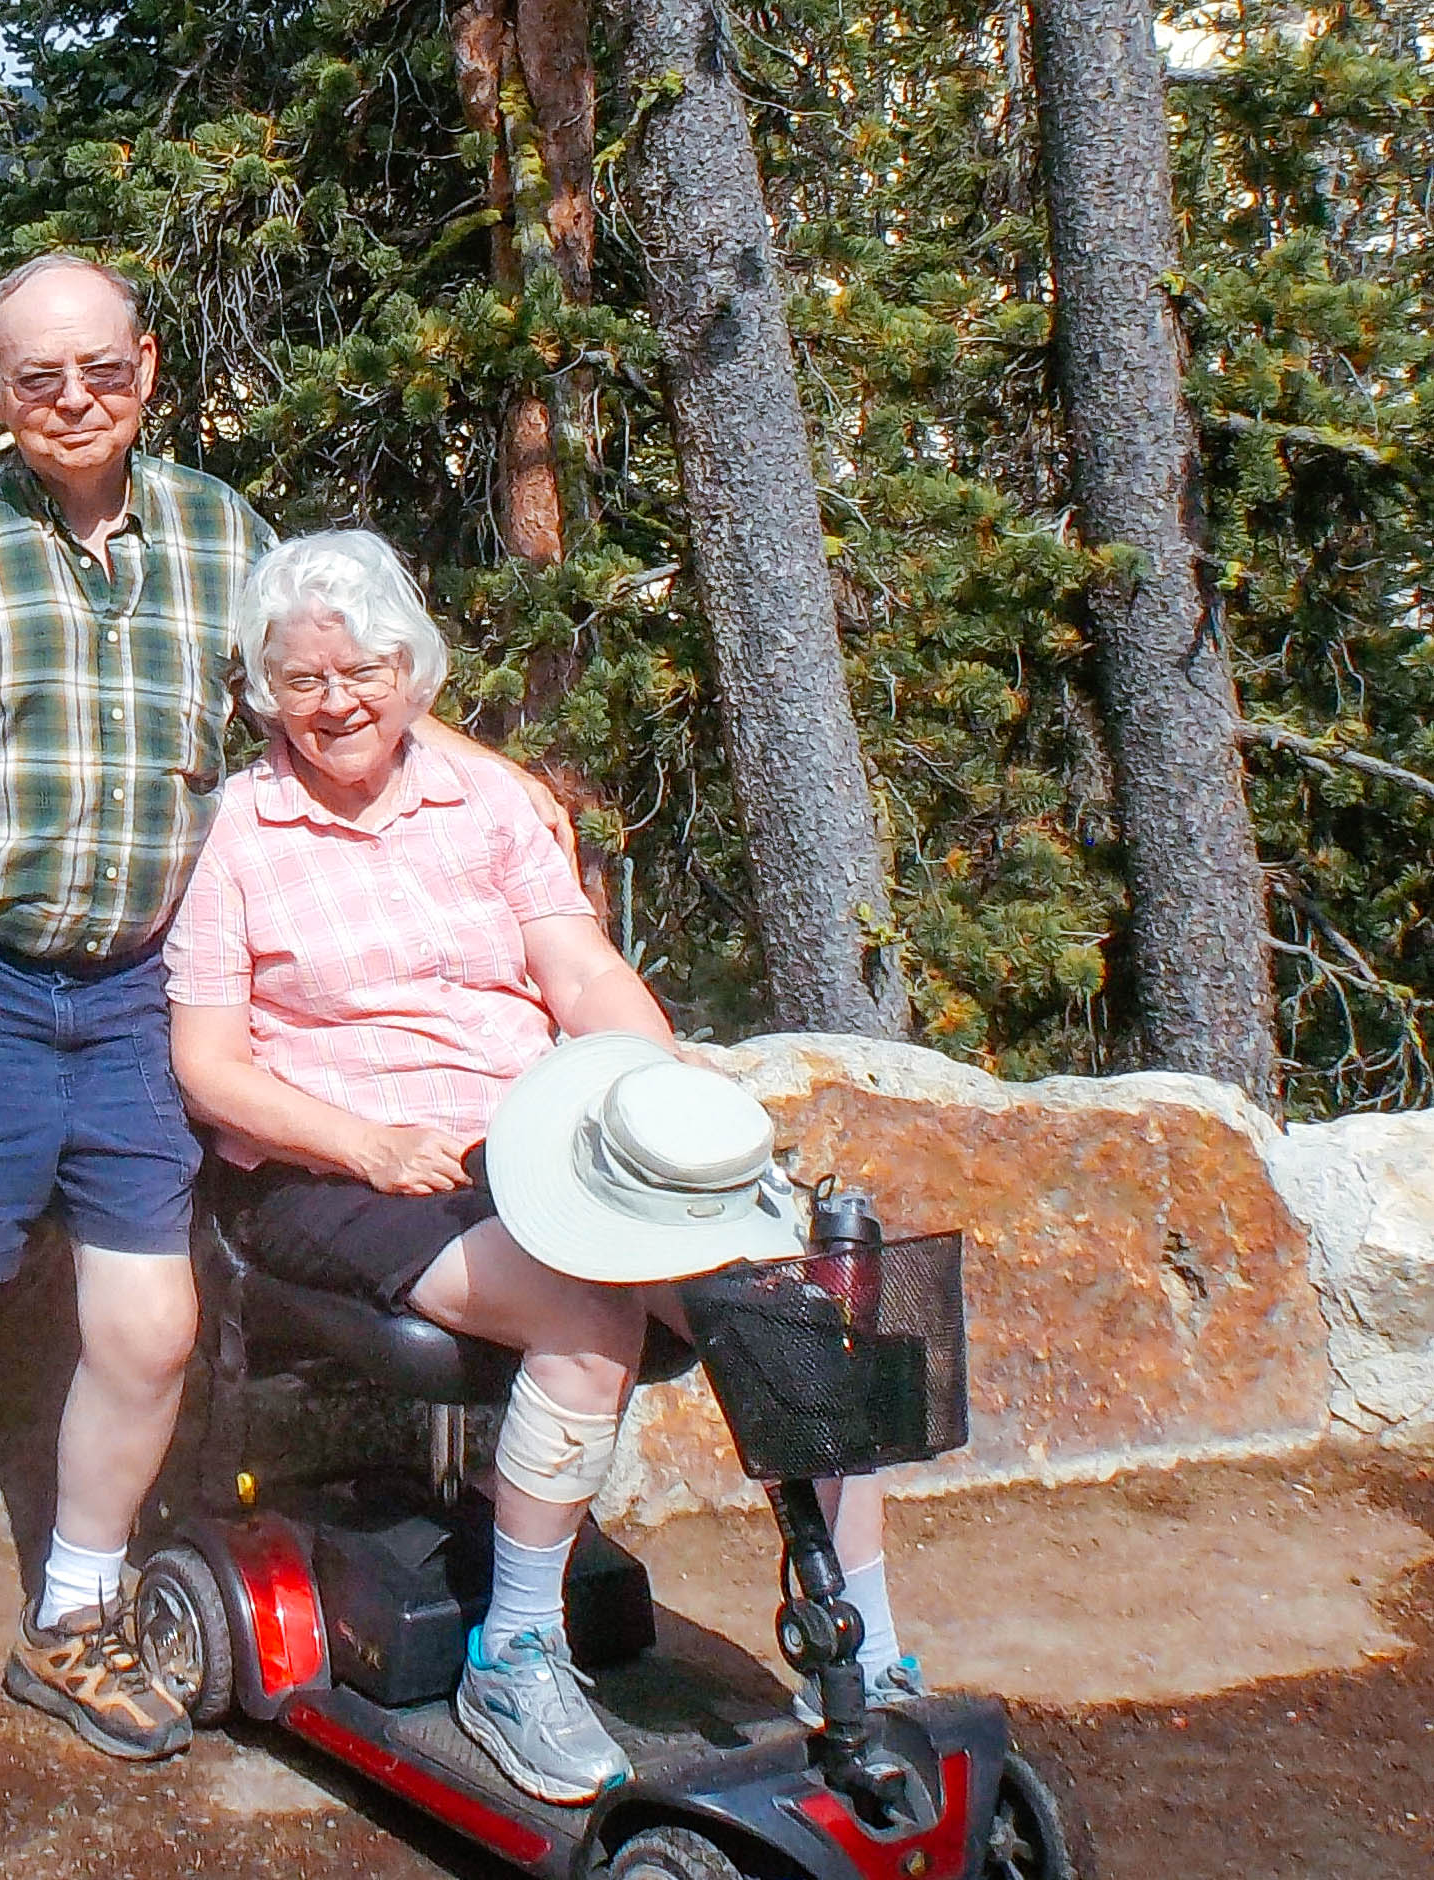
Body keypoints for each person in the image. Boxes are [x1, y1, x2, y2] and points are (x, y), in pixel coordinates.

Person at [0, 257, 569, 1762]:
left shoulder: (222, 535)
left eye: (100, 368)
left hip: (144, 989)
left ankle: (72, 1613)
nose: (72, 399)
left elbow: (326, 681)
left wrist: (484, 763)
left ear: (146, 364)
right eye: (34, 378)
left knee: (146, 1327)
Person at [165, 531, 923, 1805]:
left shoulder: (492, 806)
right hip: (331, 1169)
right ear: (264, 694)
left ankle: (863, 1641)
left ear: (413, 675)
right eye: (301, 681)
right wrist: (362, 1142)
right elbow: (209, 1064)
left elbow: (577, 972)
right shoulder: (245, 831)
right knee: (584, 1309)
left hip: (533, 1142)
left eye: (363, 671)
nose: (335, 701)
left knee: (791, 1308)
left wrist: (649, 1083)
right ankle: (514, 1651)